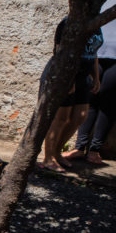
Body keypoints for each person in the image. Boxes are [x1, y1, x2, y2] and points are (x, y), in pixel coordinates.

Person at [39, 17, 101, 172]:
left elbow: (93, 52)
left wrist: (96, 77)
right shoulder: (69, 22)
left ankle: (57, 153)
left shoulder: (97, 23)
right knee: (60, 118)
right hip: (65, 74)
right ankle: (48, 158)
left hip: (83, 77)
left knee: (80, 115)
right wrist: (67, 78)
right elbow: (60, 50)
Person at [65, 0, 116, 165]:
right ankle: (80, 147)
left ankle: (94, 150)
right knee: (90, 99)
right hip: (95, 54)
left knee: (107, 103)